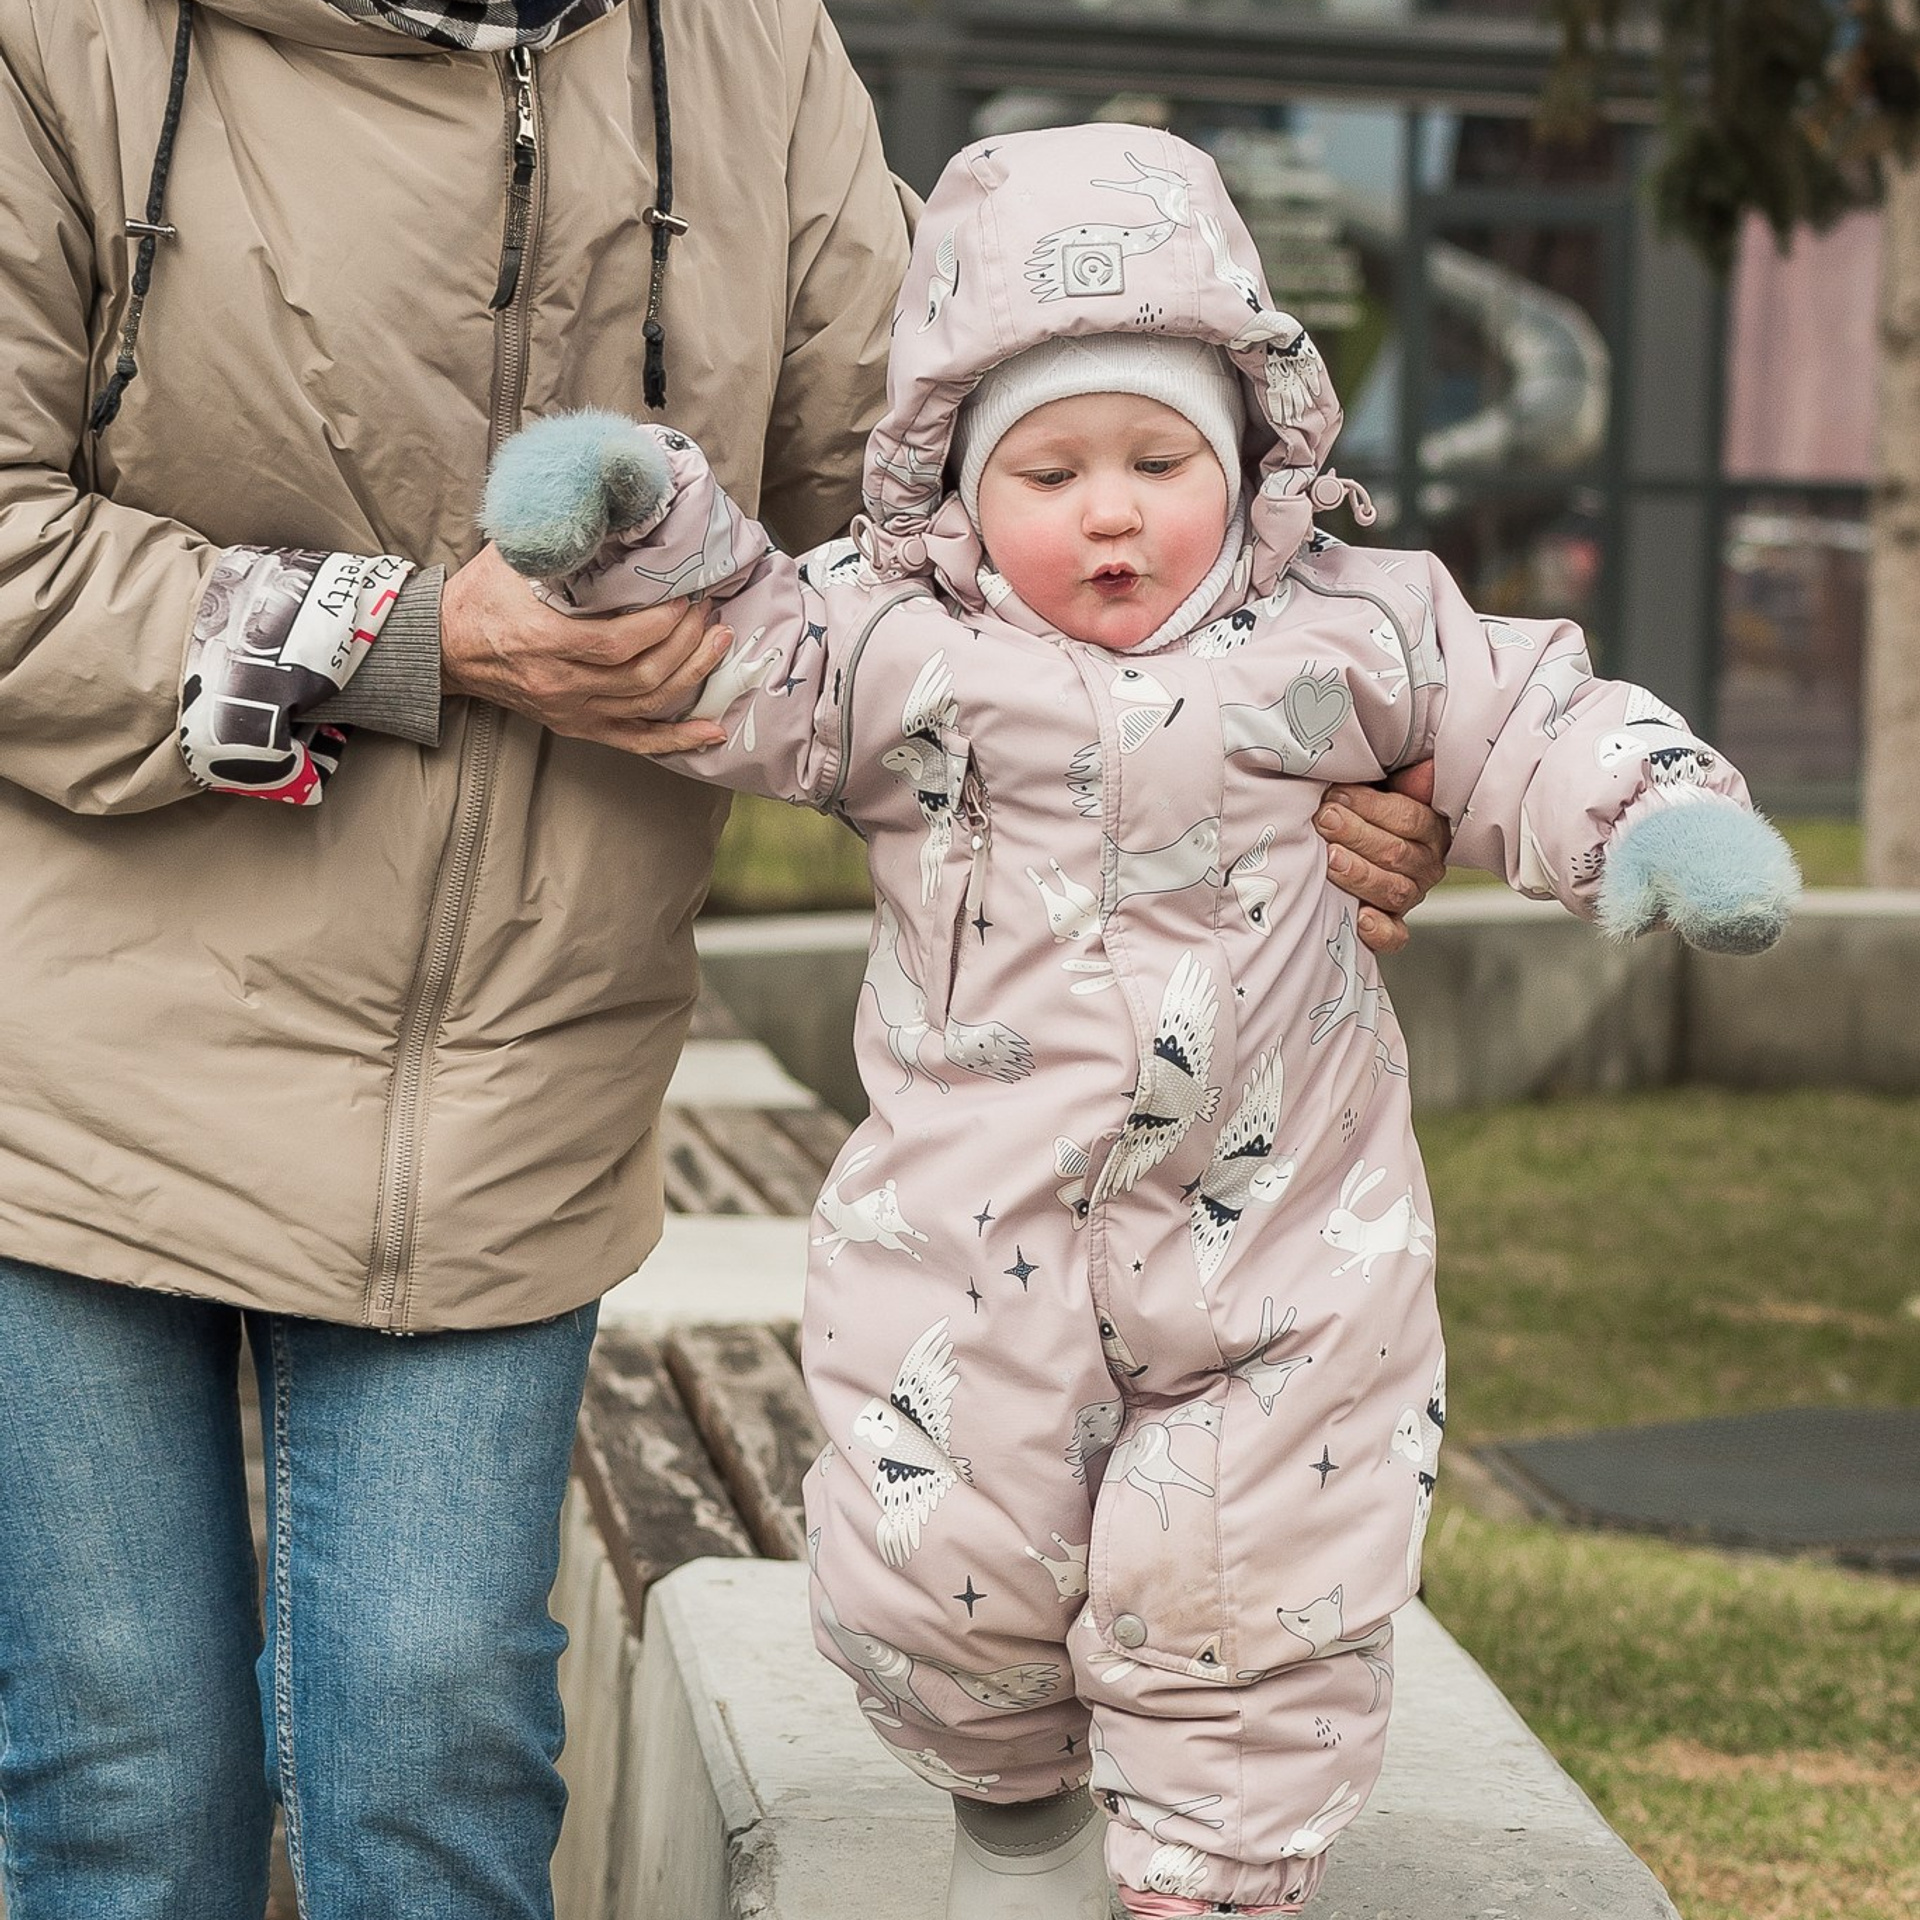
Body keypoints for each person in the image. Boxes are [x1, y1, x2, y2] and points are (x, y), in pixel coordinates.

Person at [0, 8, 1442, 1918]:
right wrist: (402, 635)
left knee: (431, 1768)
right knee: (124, 1779)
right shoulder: (60, 38)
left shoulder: (749, 50)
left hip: (521, 1076)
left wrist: (1319, 732)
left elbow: (960, 513)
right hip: (74, 1072)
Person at [483, 122, 1799, 1919]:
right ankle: (1020, 1820)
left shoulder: (1353, 621)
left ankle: (1206, 1877)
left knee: (1245, 1581)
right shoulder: (896, 647)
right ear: (957, 488)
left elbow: (1532, 716)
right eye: (1053, 468)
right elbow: (743, 652)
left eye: (1159, 458)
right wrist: (629, 524)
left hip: (1280, 1253)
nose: (1111, 510)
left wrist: (1660, 819)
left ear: (1250, 456)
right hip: (971, 1240)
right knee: (935, 1571)